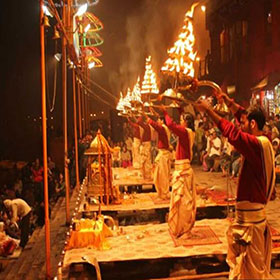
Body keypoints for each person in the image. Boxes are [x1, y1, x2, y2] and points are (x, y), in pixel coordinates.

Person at [195, 93, 275, 279]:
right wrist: (229, 102)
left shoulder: (257, 145)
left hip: (251, 225)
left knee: (251, 274)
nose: (241, 123)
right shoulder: (263, 140)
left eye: (245, 123)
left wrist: (209, 110)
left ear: (253, 124)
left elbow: (232, 133)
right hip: (249, 219)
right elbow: (243, 117)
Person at [161, 106, 196, 238]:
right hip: (182, 169)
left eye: (182, 120)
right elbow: (180, 120)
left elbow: (170, 124)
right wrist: (178, 106)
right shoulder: (188, 131)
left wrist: (165, 111)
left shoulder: (185, 132)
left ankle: (185, 229)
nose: (180, 122)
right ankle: (180, 228)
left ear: (185, 122)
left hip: (183, 172)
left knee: (184, 202)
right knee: (180, 202)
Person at [147, 112, 171, 200]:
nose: (158, 121)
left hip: (164, 155)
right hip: (161, 153)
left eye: (159, 120)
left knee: (163, 176)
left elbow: (157, 126)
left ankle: (164, 194)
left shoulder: (163, 128)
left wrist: (148, 119)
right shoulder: (163, 128)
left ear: (162, 121)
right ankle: (161, 193)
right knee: (158, 175)